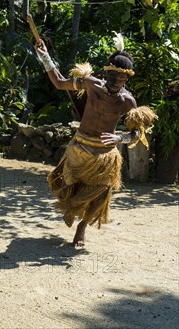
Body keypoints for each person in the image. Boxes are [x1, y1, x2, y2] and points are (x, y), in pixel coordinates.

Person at [35, 33, 156, 247]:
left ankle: (81, 230)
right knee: (66, 188)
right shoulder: (91, 84)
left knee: (99, 196)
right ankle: (70, 207)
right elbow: (60, 83)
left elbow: (138, 134)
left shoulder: (128, 101)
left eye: (121, 80)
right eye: (112, 78)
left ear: (127, 78)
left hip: (104, 156)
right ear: (106, 72)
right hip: (80, 147)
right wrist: (45, 57)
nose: (115, 83)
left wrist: (120, 137)